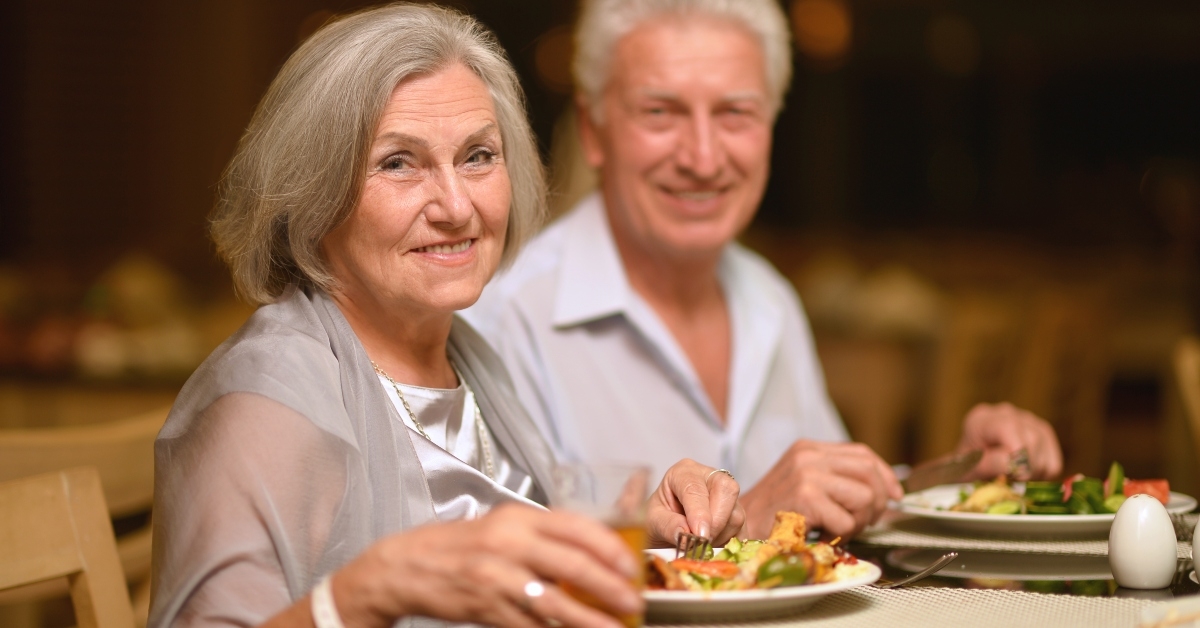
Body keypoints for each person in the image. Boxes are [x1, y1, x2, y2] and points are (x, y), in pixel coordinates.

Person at [148, 5, 745, 628]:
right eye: (398, 163)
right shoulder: (267, 404)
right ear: (313, 195)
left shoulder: (469, 357)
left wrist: (635, 529)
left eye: (478, 156)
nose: (457, 206)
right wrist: (363, 595)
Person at [464, 0, 1062, 540]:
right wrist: (754, 513)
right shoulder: (504, 317)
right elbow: (504, 589)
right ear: (594, 131)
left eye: (734, 113)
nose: (702, 157)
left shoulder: (768, 298)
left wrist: (956, 481)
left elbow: (830, 505)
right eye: (661, 112)